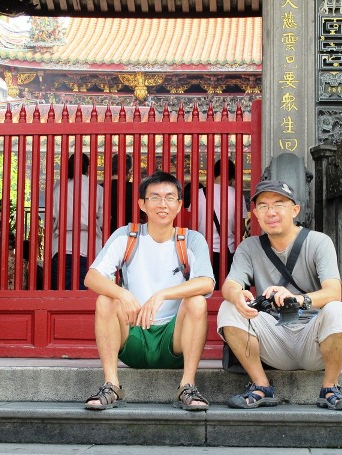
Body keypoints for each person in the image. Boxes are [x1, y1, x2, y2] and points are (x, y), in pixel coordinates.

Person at [217, 180, 342, 411]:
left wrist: (298, 299)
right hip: (273, 339)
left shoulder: (318, 242)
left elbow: (334, 291)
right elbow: (230, 284)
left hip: (313, 338)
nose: (271, 212)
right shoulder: (249, 247)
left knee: (337, 309)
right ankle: (261, 386)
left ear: (295, 210)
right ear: (256, 213)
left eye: (279, 204)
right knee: (228, 306)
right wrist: (237, 295)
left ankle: (330, 387)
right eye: (263, 206)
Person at [84, 171, 215, 411]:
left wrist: (163, 294)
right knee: (106, 300)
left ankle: (187, 385)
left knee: (197, 302)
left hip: (173, 342)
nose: (162, 204)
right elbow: (91, 277)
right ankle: (111, 384)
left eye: (169, 198)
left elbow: (207, 282)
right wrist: (122, 294)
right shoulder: (127, 235)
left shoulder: (191, 240)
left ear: (179, 205)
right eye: (154, 197)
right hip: (134, 337)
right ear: (142, 204)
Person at [52, 153, 104, 290]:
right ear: (87, 168)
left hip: (62, 246)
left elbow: (51, 218)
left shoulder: (59, 189)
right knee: (85, 294)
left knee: (62, 294)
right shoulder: (97, 189)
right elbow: (103, 220)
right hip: (89, 246)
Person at [196, 159, 247, 289]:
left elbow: (192, 226)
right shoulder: (237, 195)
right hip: (228, 252)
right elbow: (240, 230)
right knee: (226, 291)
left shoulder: (199, 194)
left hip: (203, 251)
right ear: (232, 177)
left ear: (213, 174)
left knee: (205, 291)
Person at [109, 153, 135, 232]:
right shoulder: (135, 189)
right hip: (130, 234)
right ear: (130, 170)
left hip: (107, 236)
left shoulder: (100, 188)